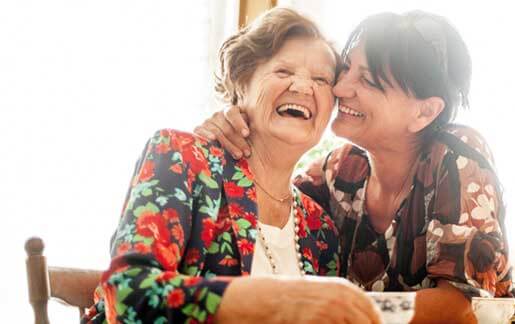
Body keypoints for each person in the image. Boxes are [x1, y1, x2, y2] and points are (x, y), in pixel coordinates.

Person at [197, 10, 515, 324]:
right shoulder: (339, 169)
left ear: (424, 113)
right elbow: (269, 194)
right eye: (346, 69)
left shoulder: (457, 156)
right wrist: (238, 123)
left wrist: (338, 305)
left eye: (368, 80)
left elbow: (459, 306)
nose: (339, 88)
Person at [83, 8, 380, 324]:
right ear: (241, 84)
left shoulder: (321, 228)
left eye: (321, 79)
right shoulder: (182, 157)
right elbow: (126, 294)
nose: (303, 87)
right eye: (283, 71)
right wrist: (269, 298)